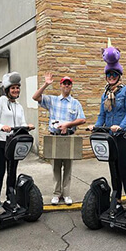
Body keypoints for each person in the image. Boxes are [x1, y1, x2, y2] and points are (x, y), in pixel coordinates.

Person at [87, 44, 126, 219]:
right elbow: (102, 115)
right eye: (109, 74)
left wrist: (121, 126)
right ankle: (117, 201)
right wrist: (96, 126)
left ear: (119, 76)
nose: (111, 77)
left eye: (114, 74)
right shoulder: (105, 95)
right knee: (113, 171)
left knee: (124, 171)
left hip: (125, 136)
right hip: (110, 137)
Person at [32, 73, 86, 205]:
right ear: (60, 85)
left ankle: (66, 194)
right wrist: (46, 84)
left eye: (69, 83)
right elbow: (35, 97)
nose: (66, 85)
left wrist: (68, 124)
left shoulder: (75, 103)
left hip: (68, 138)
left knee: (68, 168)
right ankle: (56, 194)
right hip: (55, 137)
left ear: (71, 86)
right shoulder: (53, 100)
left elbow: (82, 119)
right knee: (56, 168)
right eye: (64, 83)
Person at [0, 72, 34, 214]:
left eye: (17, 88)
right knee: (0, 171)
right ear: (7, 90)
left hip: (13, 142)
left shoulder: (18, 106)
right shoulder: (0, 102)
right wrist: (2, 127)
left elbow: (21, 123)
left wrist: (27, 126)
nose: (16, 90)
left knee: (12, 171)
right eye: (13, 88)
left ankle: (10, 198)